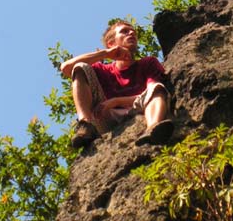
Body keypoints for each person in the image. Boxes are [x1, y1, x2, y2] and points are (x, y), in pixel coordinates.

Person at [60, 20, 174, 148]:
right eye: (124, 31)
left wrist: (116, 101)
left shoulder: (147, 63)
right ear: (111, 43)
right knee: (80, 68)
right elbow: (66, 68)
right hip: (105, 118)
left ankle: (153, 129)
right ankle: (86, 126)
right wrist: (106, 54)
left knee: (156, 87)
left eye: (133, 32)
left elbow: (155, 92)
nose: (131, 33)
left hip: (140, 108)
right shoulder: (102, 70)